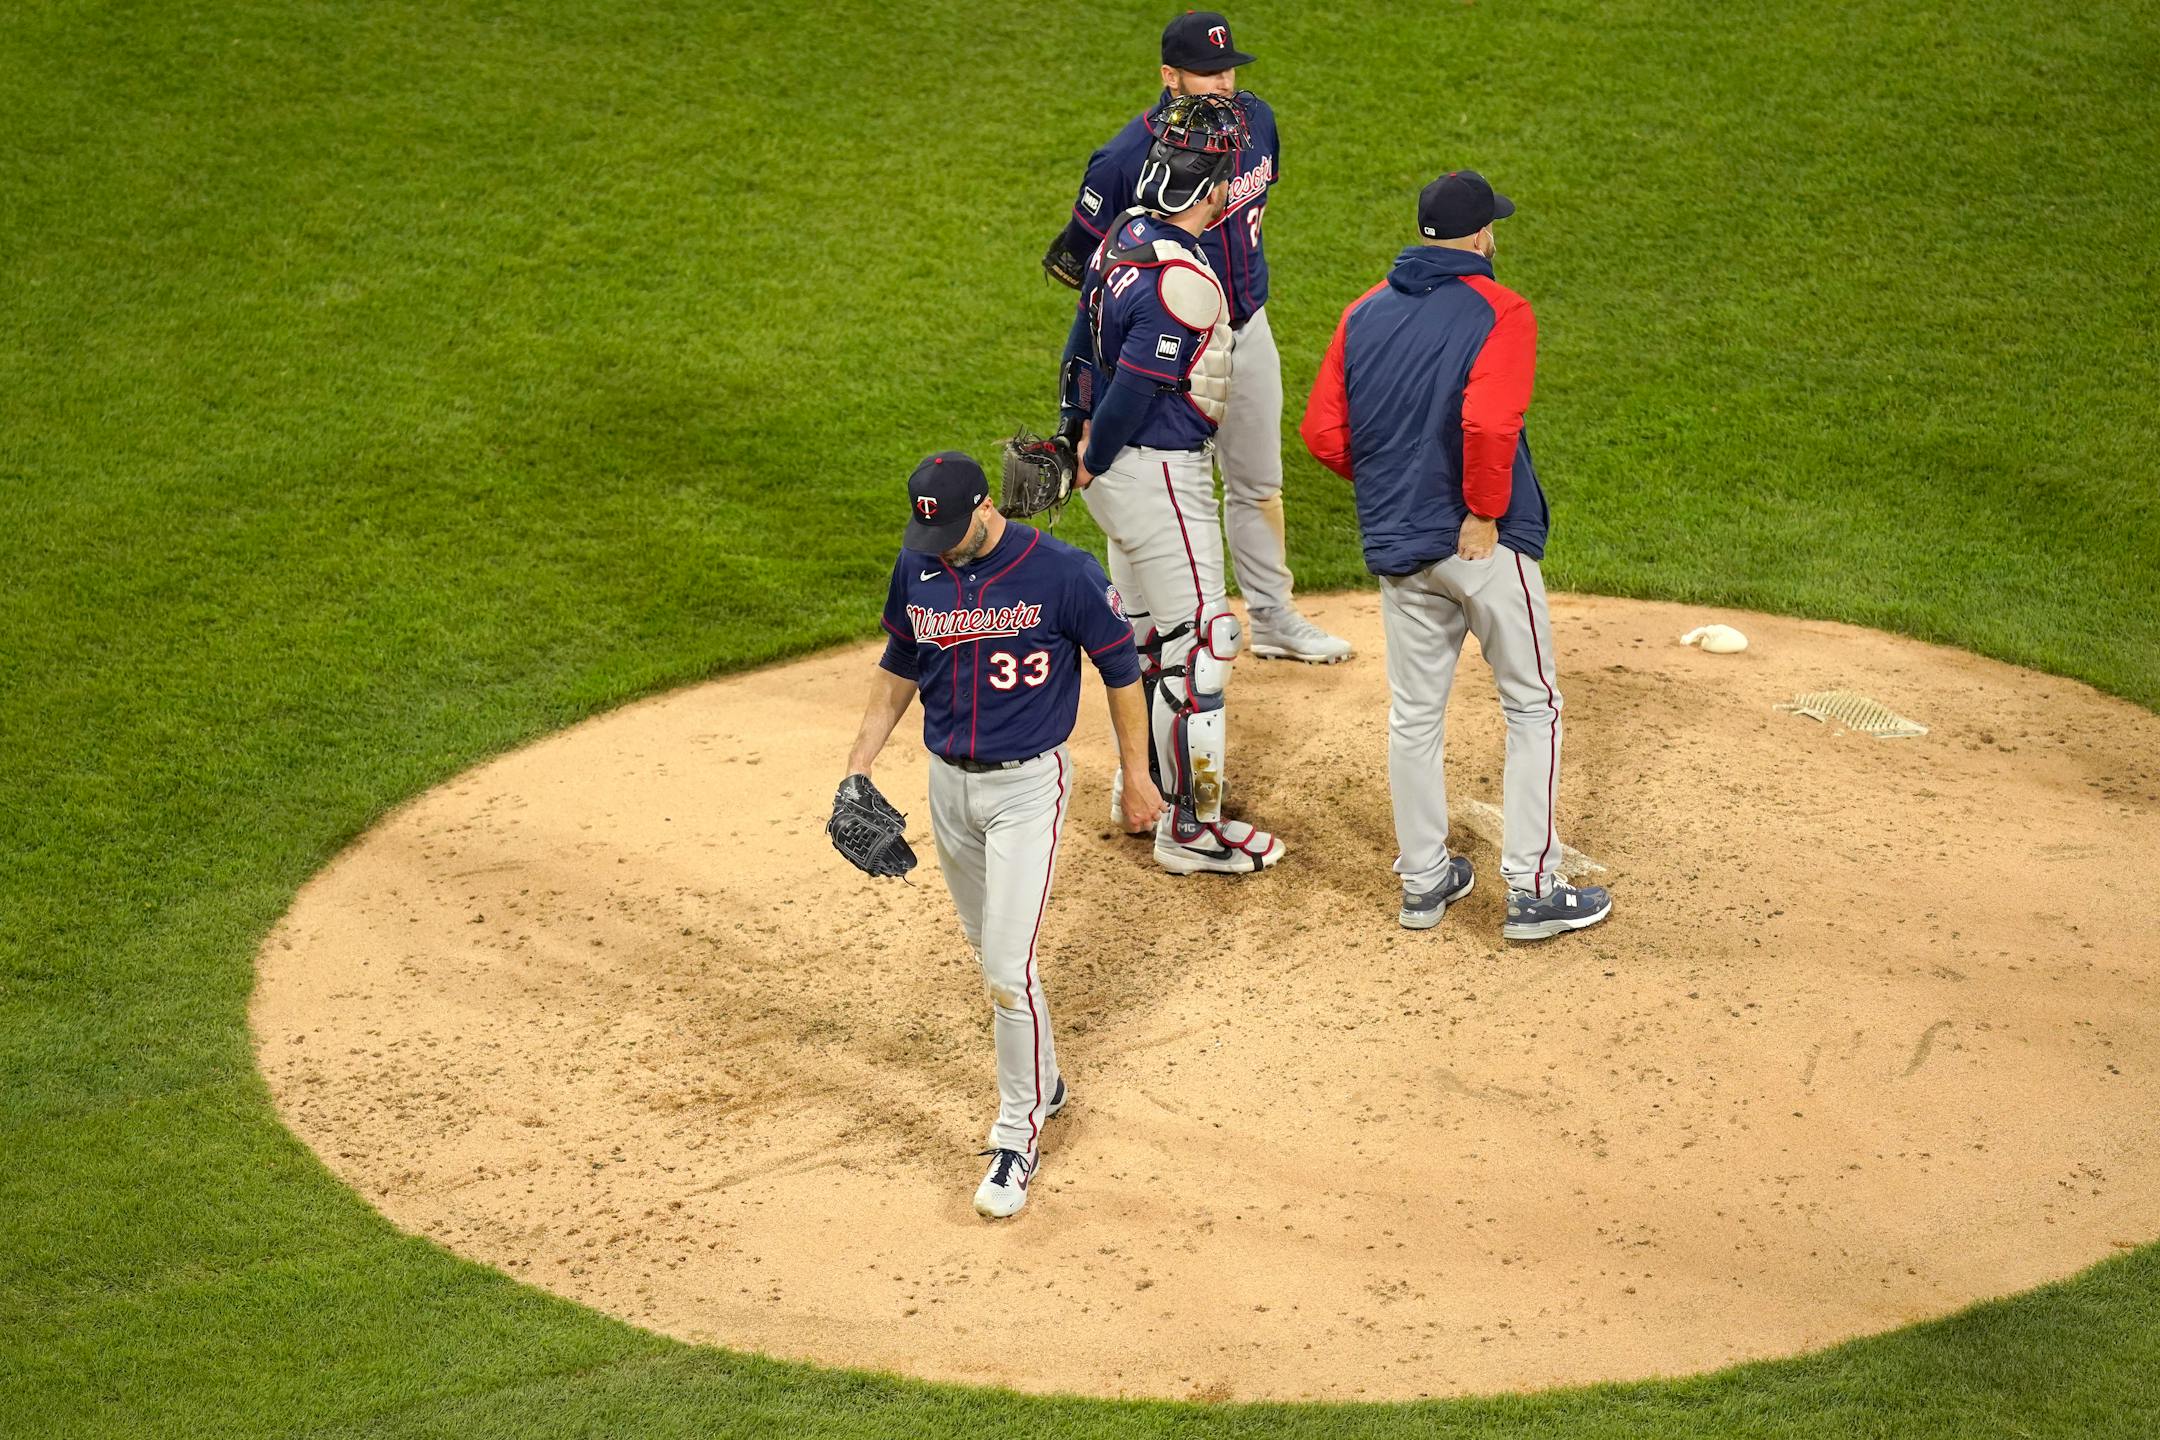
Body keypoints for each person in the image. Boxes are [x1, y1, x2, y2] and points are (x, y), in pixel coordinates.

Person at [841, 452, 1164, 1218]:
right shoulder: (917, 566)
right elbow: (899, 668)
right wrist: (858, 767)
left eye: (954, 532)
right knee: (994, 954)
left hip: (1027, 789)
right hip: (946, 787)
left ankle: (1018, 1134)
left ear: (987, 507)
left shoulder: (1064, 572)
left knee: (1006, 969)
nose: (943, 548)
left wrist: (1138, 775)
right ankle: (1045, 1078)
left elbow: (1121, 669)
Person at [1298, 170, 1613, 940]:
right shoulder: (1501, 309)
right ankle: (1535, 888)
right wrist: (1481, 510)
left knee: (1414, 716)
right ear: (1481, 236)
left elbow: (1324, 435)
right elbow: (1489, 422)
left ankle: (1425, 882)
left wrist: (1396, 485)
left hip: (1401, 543)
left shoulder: (1362, 311)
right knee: (1532, 704)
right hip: (1480, 543)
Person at [1041, 10, 1351, 667]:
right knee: (1143, 481)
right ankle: (1144, 634)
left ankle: (1271, 617)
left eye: (1228, 68)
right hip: (1163, 347)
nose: (1221, 83)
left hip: (1245, 325)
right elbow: (1082, 269)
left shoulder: (1258, 123)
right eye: (1206, 73)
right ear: (1169, 76)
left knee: (1258, 482)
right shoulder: (1125, 158)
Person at [1057, 92, 1286, 875]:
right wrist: (1096, 447)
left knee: (1156, 641)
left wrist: (1070, 434)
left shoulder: (1124, 237)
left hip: (1117, 482)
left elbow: (1079, 341)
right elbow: (1132, 388)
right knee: (1206, 645)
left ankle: (1149, 787)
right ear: (1213, 189)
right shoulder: (1185, 282)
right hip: (1157, 474)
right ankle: (1195, 829)